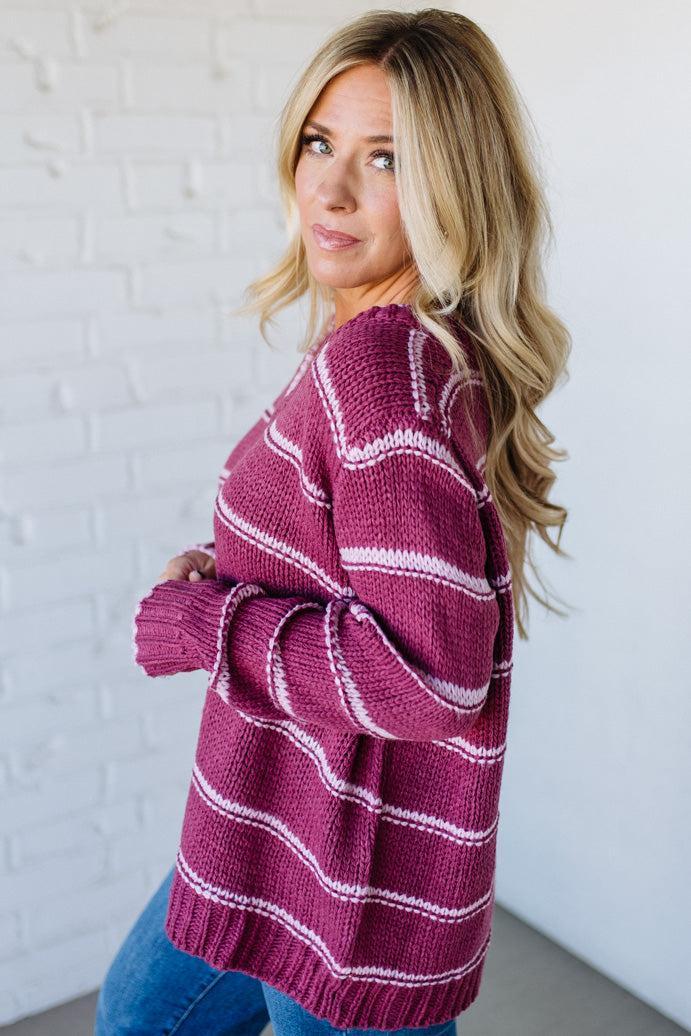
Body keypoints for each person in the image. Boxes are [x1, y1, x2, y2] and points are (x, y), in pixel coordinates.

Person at [96, 8, 570, 1035]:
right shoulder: (396, 347)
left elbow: (431, 674)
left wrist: (204, 627)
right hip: (276, 837)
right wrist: (231, 572)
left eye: (386, 158)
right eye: (321, 142)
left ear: (454, 184)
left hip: (351, 893)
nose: (331, 186)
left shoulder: (378, 371)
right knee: (136, 1016)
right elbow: (364, 561)